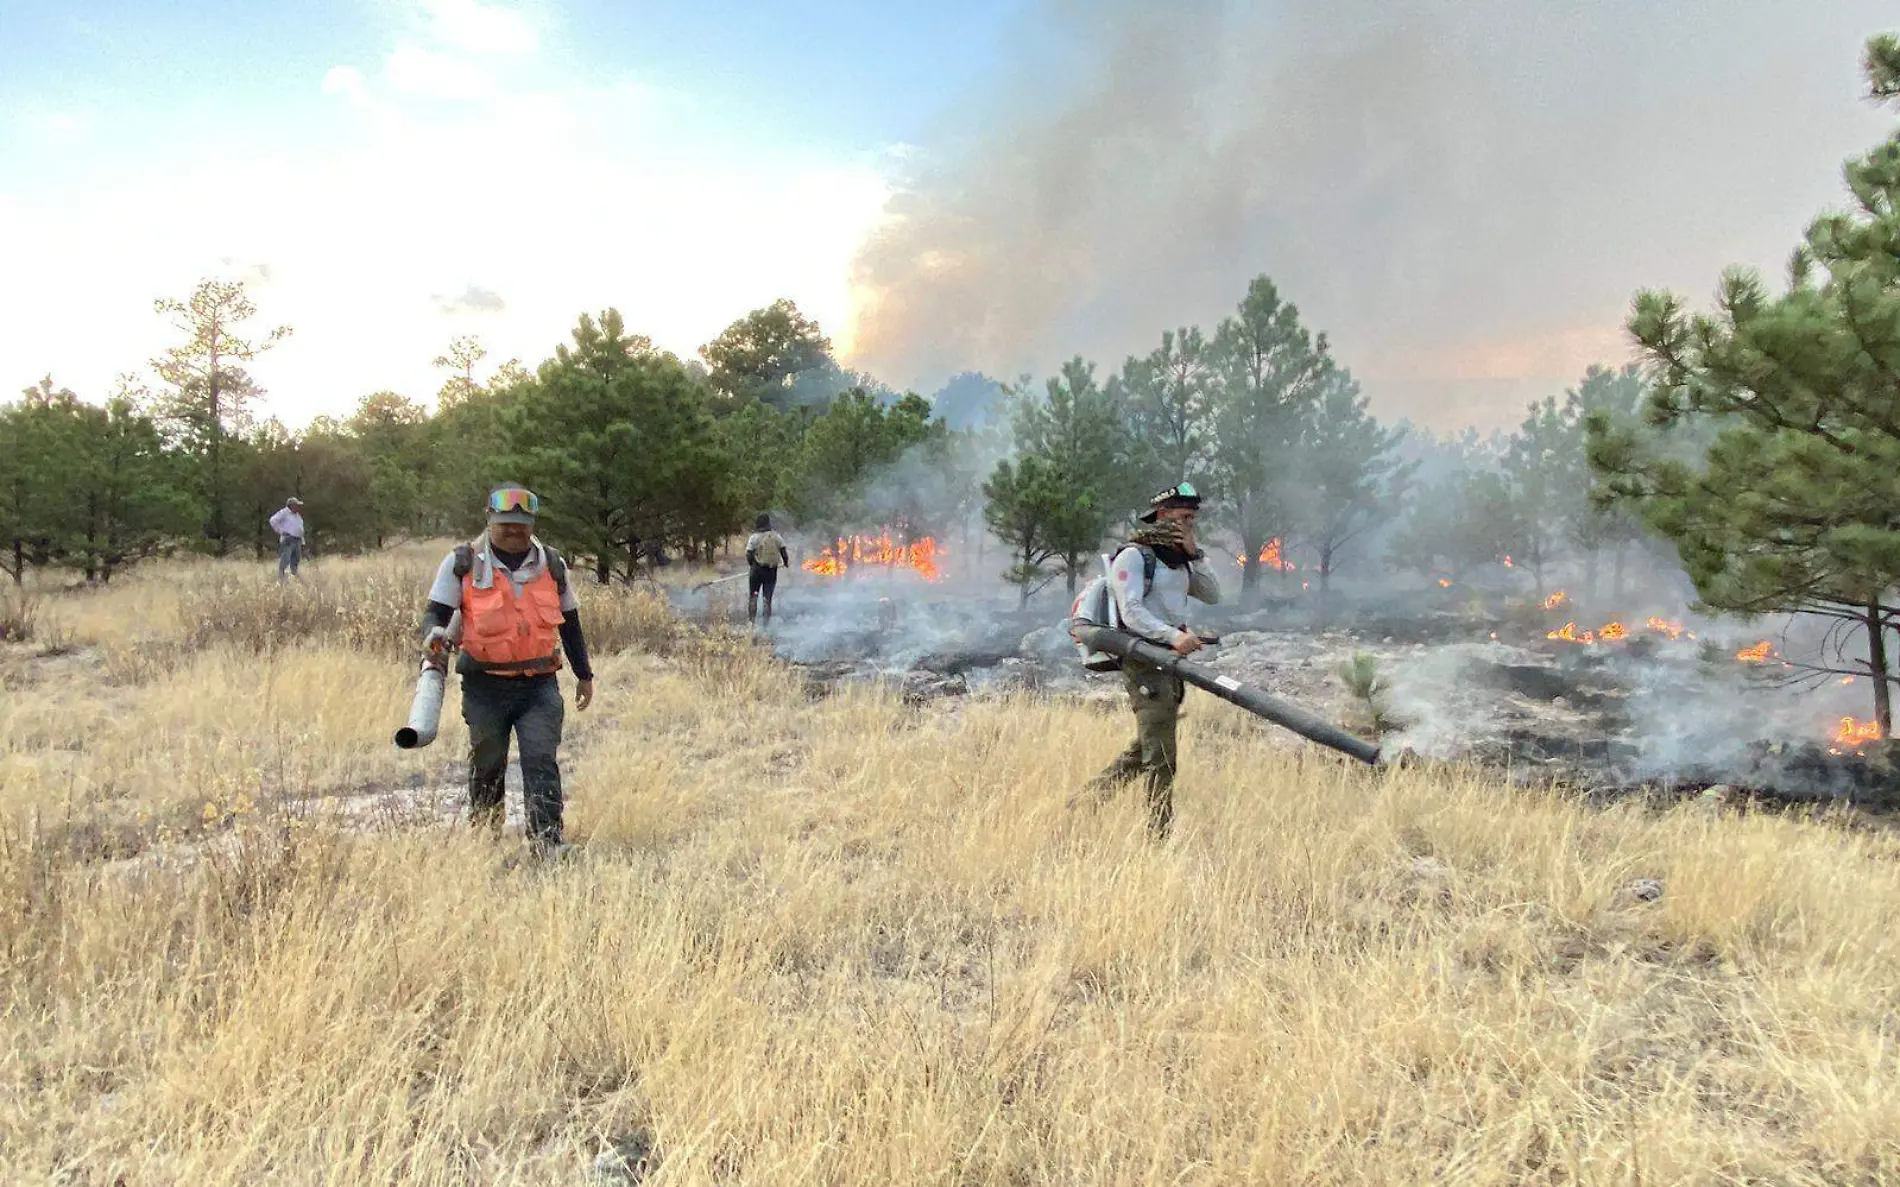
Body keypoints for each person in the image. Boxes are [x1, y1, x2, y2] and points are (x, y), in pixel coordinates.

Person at [419, 485, 596, 853]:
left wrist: (584, 674)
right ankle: (486, 841)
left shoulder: (552, 563)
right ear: (489, 519)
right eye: (505, 524)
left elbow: (571, 621)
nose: (513, 531)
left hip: (539, 685)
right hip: (485, 685)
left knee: (540, 760)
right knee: (487, 763)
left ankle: (547, 842)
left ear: (532, 523)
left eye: (521, 524)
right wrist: (433, 633)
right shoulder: (462, 562)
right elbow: (436, 611)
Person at [1076, 482, 1221, 838]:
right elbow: (1132, 611)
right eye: (1183, 517)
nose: (1189, 524)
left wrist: (1195, 554)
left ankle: (1083, 806)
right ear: (1162, 516)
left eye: (1192, 519)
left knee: (1144, 748)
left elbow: (1214, 595)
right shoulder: (1135, 556)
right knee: (1162, 758)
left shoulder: (1180, 561)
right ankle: (1159, 837)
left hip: (1169, 663)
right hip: (1143, 661)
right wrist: (1174, 637)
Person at [744, 513, 791, 624]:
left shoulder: (754, 537)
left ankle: (752, 623)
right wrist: (786, 563)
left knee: (753, 596)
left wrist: (752, 565)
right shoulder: (777, 536)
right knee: (767, 598)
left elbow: (749, 554)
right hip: (771, 571)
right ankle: (766, 625)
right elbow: (784, 552)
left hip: (756, 571)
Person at [269, 497, 305, 581]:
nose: (298, 507)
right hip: (288, 540)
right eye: (297, 505)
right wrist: (281, 531)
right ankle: (281, 579)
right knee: (285, 560)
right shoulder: (284, 513)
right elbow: (272, 520)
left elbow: (300, 529)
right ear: (291, 505)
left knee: (295, 560)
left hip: (297, 540)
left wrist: (302, 541)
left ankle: (293, 578)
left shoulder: (297, 516)